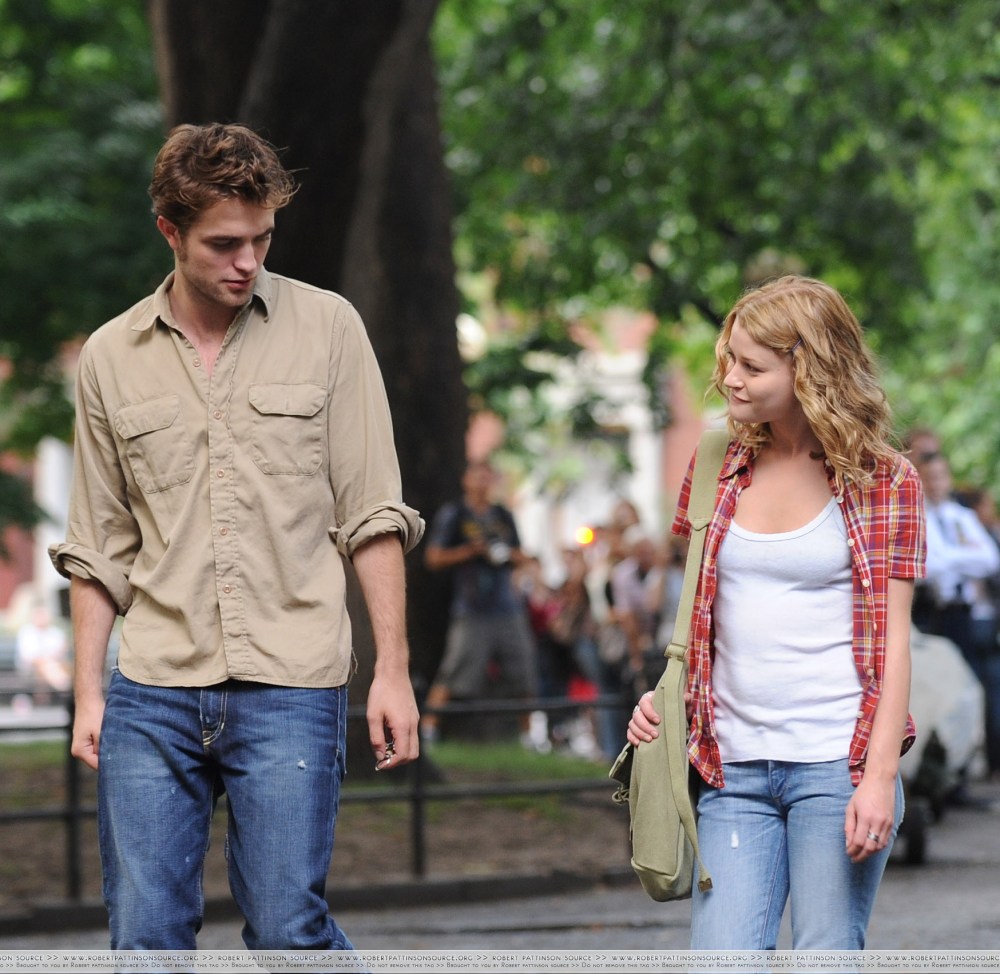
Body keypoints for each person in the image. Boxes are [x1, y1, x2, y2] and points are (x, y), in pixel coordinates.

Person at [47, 123, 424, 952]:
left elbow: (373, 512)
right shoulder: (111, 356)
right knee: (145, 936)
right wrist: (89, 692)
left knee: (289, 930)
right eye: (223, 244)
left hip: (292, 680)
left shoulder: (329, 329)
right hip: (153, 684)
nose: (247, 261)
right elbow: (98, 544)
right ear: (170, 232)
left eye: (261, 239)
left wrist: (392, 672)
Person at [628, 275, 926, 951]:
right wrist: (667, 697)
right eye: (729, 359)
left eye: (753, 366)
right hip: (731, 769)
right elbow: (701, 614)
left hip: (836, 768)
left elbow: (895, 645)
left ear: (810, 370)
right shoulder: (716, 462)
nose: (730, 378)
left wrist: (880, 779)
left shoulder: (885, 481)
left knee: (826, 953)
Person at [419, 458, 538, 744]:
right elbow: (433, 557)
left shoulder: (502, 515)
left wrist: (506, 554)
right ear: (466, 480)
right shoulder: (455, 514)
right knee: (453, 671)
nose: (483, 483)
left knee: (523, 671)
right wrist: (470, 551)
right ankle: (428, 731)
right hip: (470, 608)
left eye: (488, 477)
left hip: (507, 608)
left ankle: (530, 737)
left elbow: (522, 556)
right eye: (478, 476)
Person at [15, 602, 71, 705]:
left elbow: (61, 652)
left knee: (48, 667)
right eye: (38, 615)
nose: (41, 618)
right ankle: (65, 689)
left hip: (54, 666)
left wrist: (47, 660)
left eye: (43, 615)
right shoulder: (27, 632)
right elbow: (28, 657)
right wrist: (46, 660)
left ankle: (45, 699)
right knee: (46, 667)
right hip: (32, 669)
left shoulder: (56, 633)